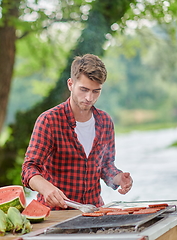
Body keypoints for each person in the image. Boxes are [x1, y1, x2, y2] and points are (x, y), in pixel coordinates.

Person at [21, 54, 133, 210]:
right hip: (55, 214)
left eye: (96, 91)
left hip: (93, 212)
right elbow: (29, 168)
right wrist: (45, 188)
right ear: (70, 84)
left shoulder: (105, 122)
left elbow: (106, 166)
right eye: (84, 89)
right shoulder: (49, 121)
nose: (89, 98)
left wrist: (119, 178)